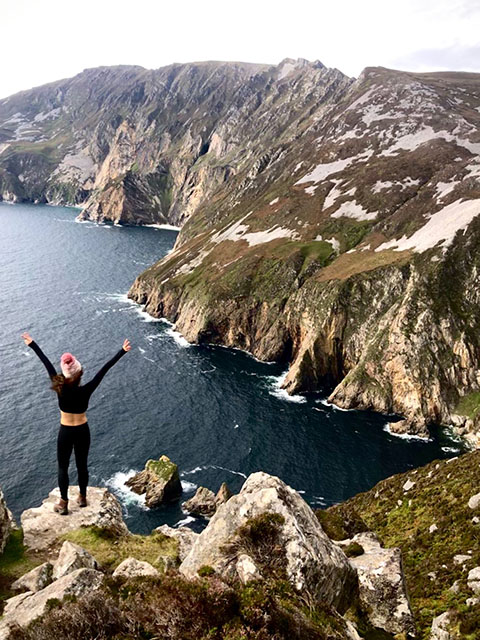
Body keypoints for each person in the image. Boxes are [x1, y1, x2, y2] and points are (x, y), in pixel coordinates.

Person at [21, 331, 131, 515]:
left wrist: (32, 344)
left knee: (62, 466)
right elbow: (104, 369)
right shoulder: (87, 389)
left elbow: (46, 363)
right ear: (80, 372)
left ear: (64, 374)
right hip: (82, 430)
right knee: (82, 465)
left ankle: (64, 503)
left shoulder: (59, 386)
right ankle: (82, 497)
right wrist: (122, 351)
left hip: (65, 431)